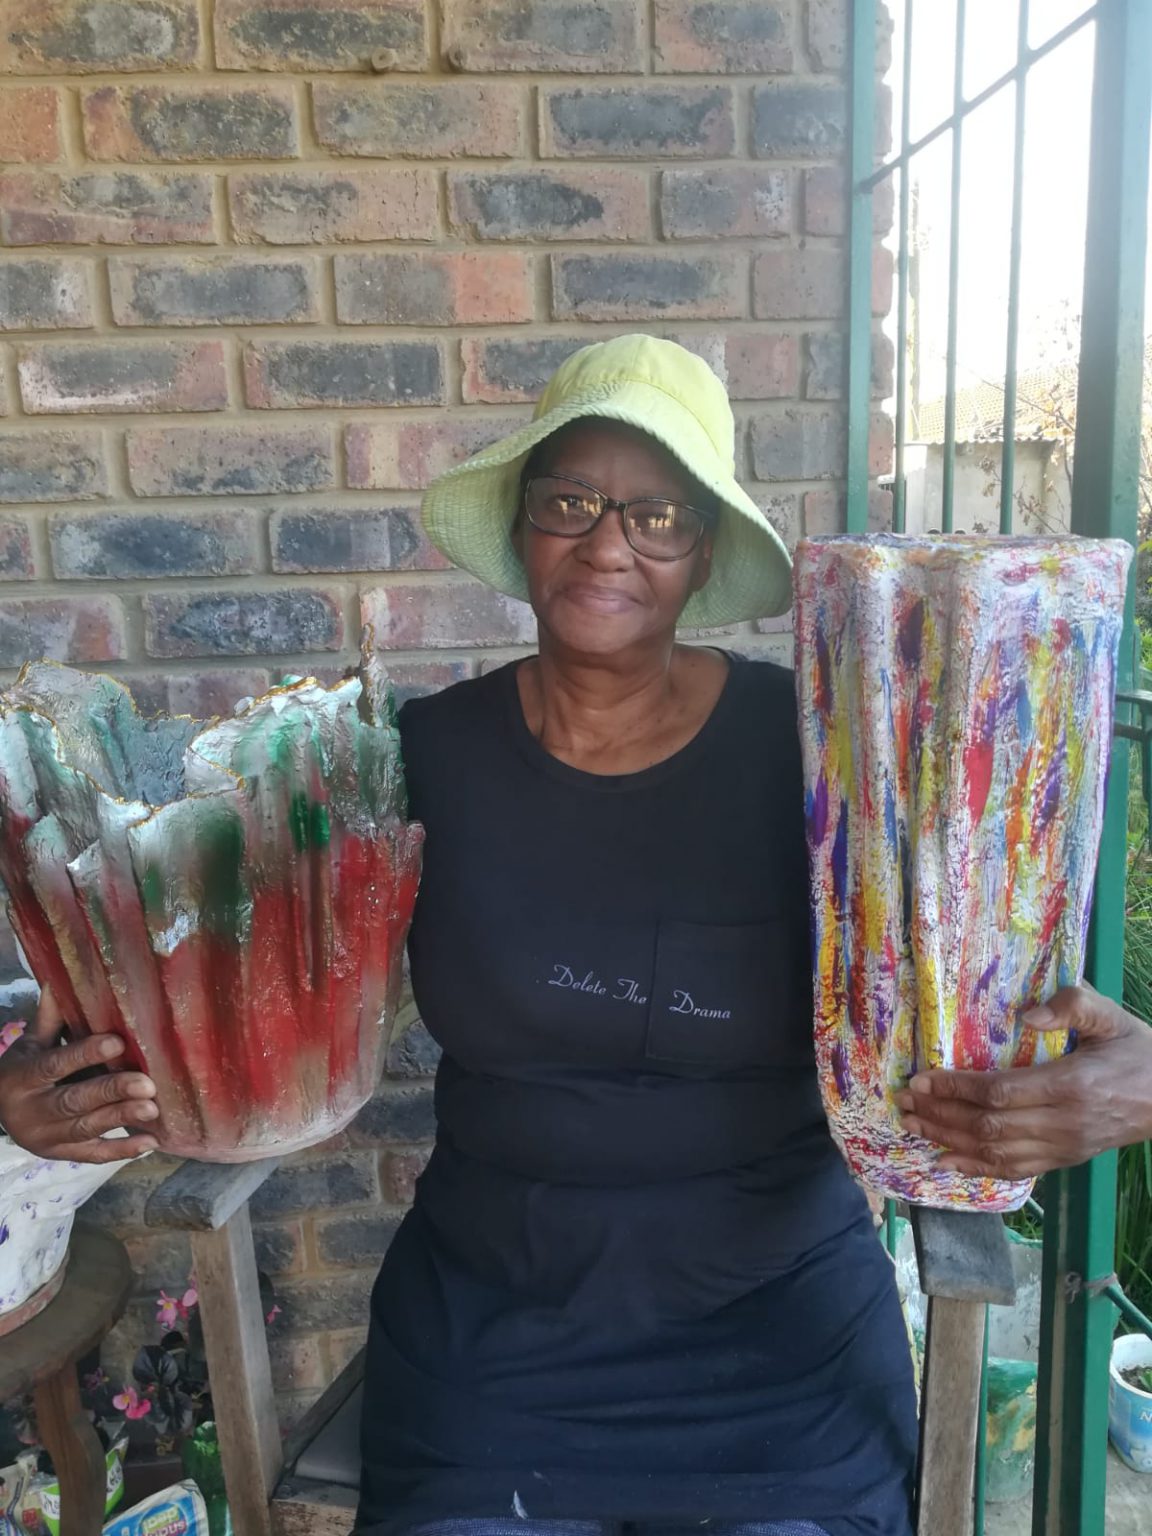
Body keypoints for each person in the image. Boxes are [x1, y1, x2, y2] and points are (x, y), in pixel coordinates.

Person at [3, 335, 1152, 1536]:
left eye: (657, 514)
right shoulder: (419, 758)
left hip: (779, 1349)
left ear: (702, 549)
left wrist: (1139, 1074)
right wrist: (43, 1099)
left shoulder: (823, 758)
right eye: (571, 502)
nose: (610, 541)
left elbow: (993, 982)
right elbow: (214, 979)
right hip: (496, 1348)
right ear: (521, 529)